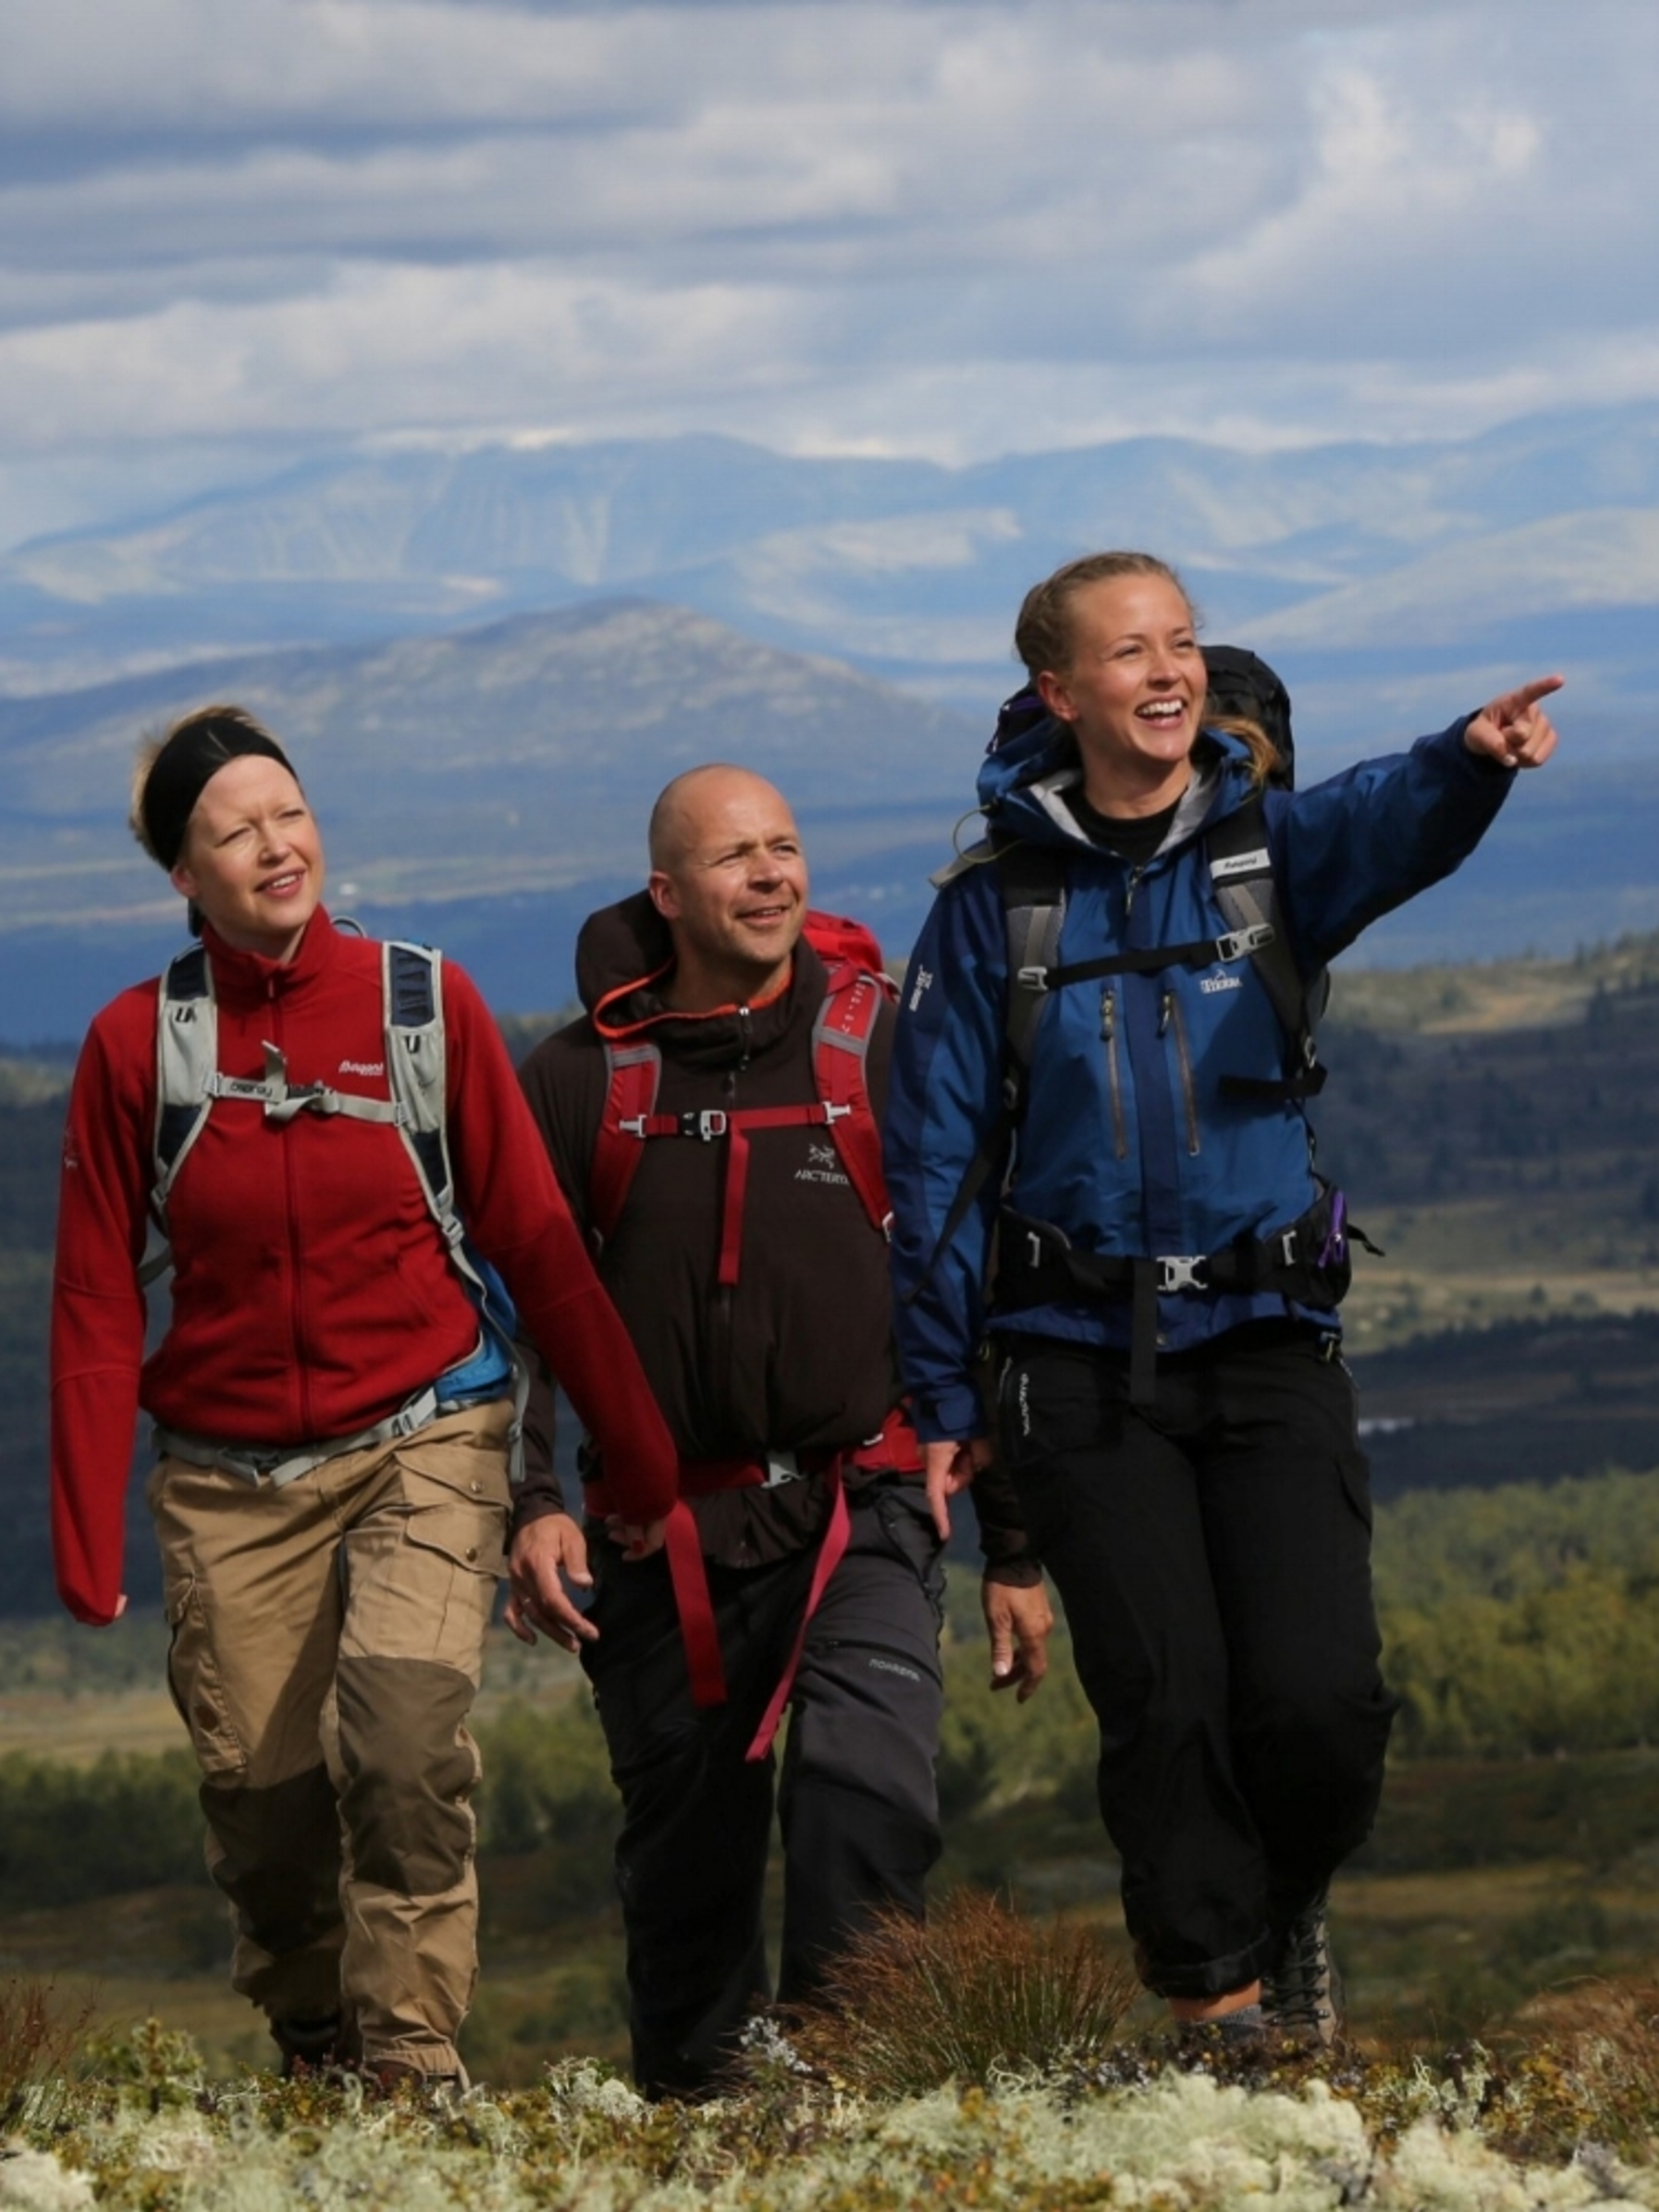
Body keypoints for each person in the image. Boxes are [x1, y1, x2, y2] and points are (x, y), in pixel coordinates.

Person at [883, 551, 1562, 2047]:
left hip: (1266, 1339)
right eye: (1131, 653)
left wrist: (1469, 761)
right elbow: (933, 1171)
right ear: (1062, 694)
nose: (1169, 671)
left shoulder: (1264, 853)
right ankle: (1222, 2007)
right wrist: (940, 1397)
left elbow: (1389, 823)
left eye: (1182, 643)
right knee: (1166, 1698)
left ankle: (1284, 1899)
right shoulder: (996, 909)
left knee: (1320, 1708)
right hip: (1072, 1360)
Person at [49, 704, 677, 2089]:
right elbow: (96, 1304)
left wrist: (634, 1455)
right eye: (235, 831)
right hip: (228, 1477)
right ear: (184, 878)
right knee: (263, 1816)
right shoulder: (133, 1047)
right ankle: (317, 2035)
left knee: (401, 1756)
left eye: (290, 811)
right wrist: (88, 1538)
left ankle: (411, 2068)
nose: (278, 845)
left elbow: (536, 1246)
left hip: (426, 1433)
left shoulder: (421, 1003)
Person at [507, 764, 1054, 2099]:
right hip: (659, 1535)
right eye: (736, 858)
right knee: (687, 1875)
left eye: (786, 848)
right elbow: (518, 1311)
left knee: (863, 1807)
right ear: (667, 894)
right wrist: (530, 1504)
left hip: (861, 1504)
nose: (770, 877)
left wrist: (1016, 1544)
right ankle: (706, 2135)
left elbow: (976, 1276)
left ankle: (861, 2108)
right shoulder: (581, 1080)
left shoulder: (883, 1042)